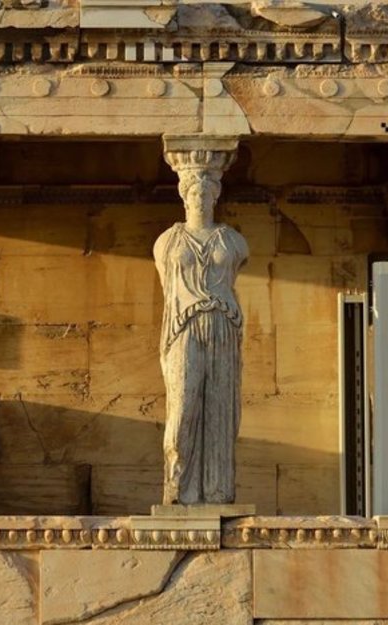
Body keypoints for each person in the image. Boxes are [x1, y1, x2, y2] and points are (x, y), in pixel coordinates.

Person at [154, 167, 248, 505]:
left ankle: (216, 489)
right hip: (184, 326)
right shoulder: (167, 241)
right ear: (184, 195)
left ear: (215, 196)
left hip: (222, 324)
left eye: (206, 192)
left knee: (220, 406)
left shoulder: (232, 241)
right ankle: (179, 488)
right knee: (183, 405)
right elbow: (169, 287)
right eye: (194, 192)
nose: (200, 199)